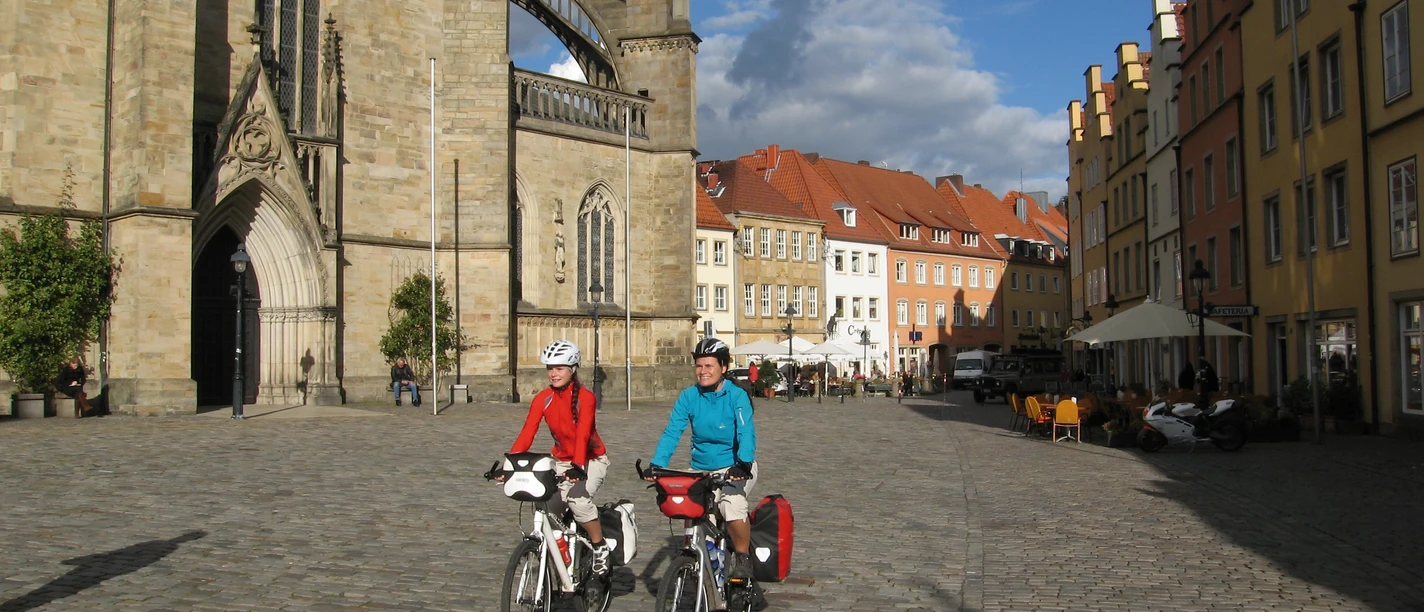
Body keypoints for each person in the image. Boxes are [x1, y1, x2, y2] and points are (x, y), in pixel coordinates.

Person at [647, 337, 758, 585]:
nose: (703, 371)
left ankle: (742, 557)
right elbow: (672, 431)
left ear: (723, 368)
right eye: (699, 366)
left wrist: (744, 463)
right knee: (690, 510)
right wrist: (657, 464)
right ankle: (705, 565)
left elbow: (746, 432)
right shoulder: (689, 396)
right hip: (700, 469)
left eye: (709, 366)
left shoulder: (736, 396)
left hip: (734, 467)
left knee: (731, 508)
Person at [505, 340, 613, 577]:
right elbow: (528, 431)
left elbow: (584, 433)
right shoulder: (543, 398)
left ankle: (599, 546)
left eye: (560, 368)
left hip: (591, 460)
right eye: (550, 368)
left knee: (578, 502)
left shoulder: (586, 397)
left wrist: (577, 465)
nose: (553, 373)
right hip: (561, 460)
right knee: (545, 507)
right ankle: (563, 553)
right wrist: (510, 464)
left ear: (573, 369)